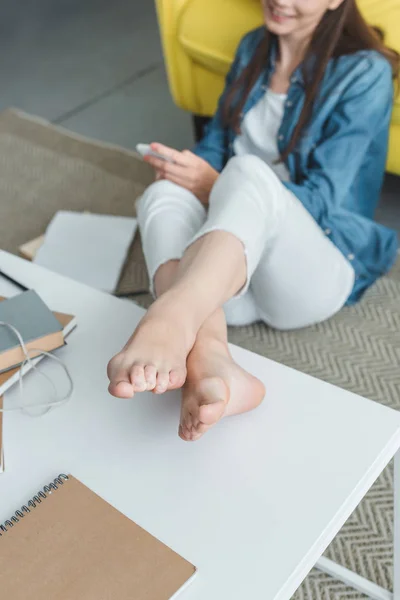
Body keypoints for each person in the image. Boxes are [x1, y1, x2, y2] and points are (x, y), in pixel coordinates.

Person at [108, 0, 399, 442]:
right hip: (228, 284)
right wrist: (186, 169)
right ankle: (211, 359)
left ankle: (170, 317)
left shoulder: (365, 73)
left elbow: (325, 200)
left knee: (247, 172)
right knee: (163, 193)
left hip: (310, 275)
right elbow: (217, 145)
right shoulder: (252, 48)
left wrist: (214, 184)